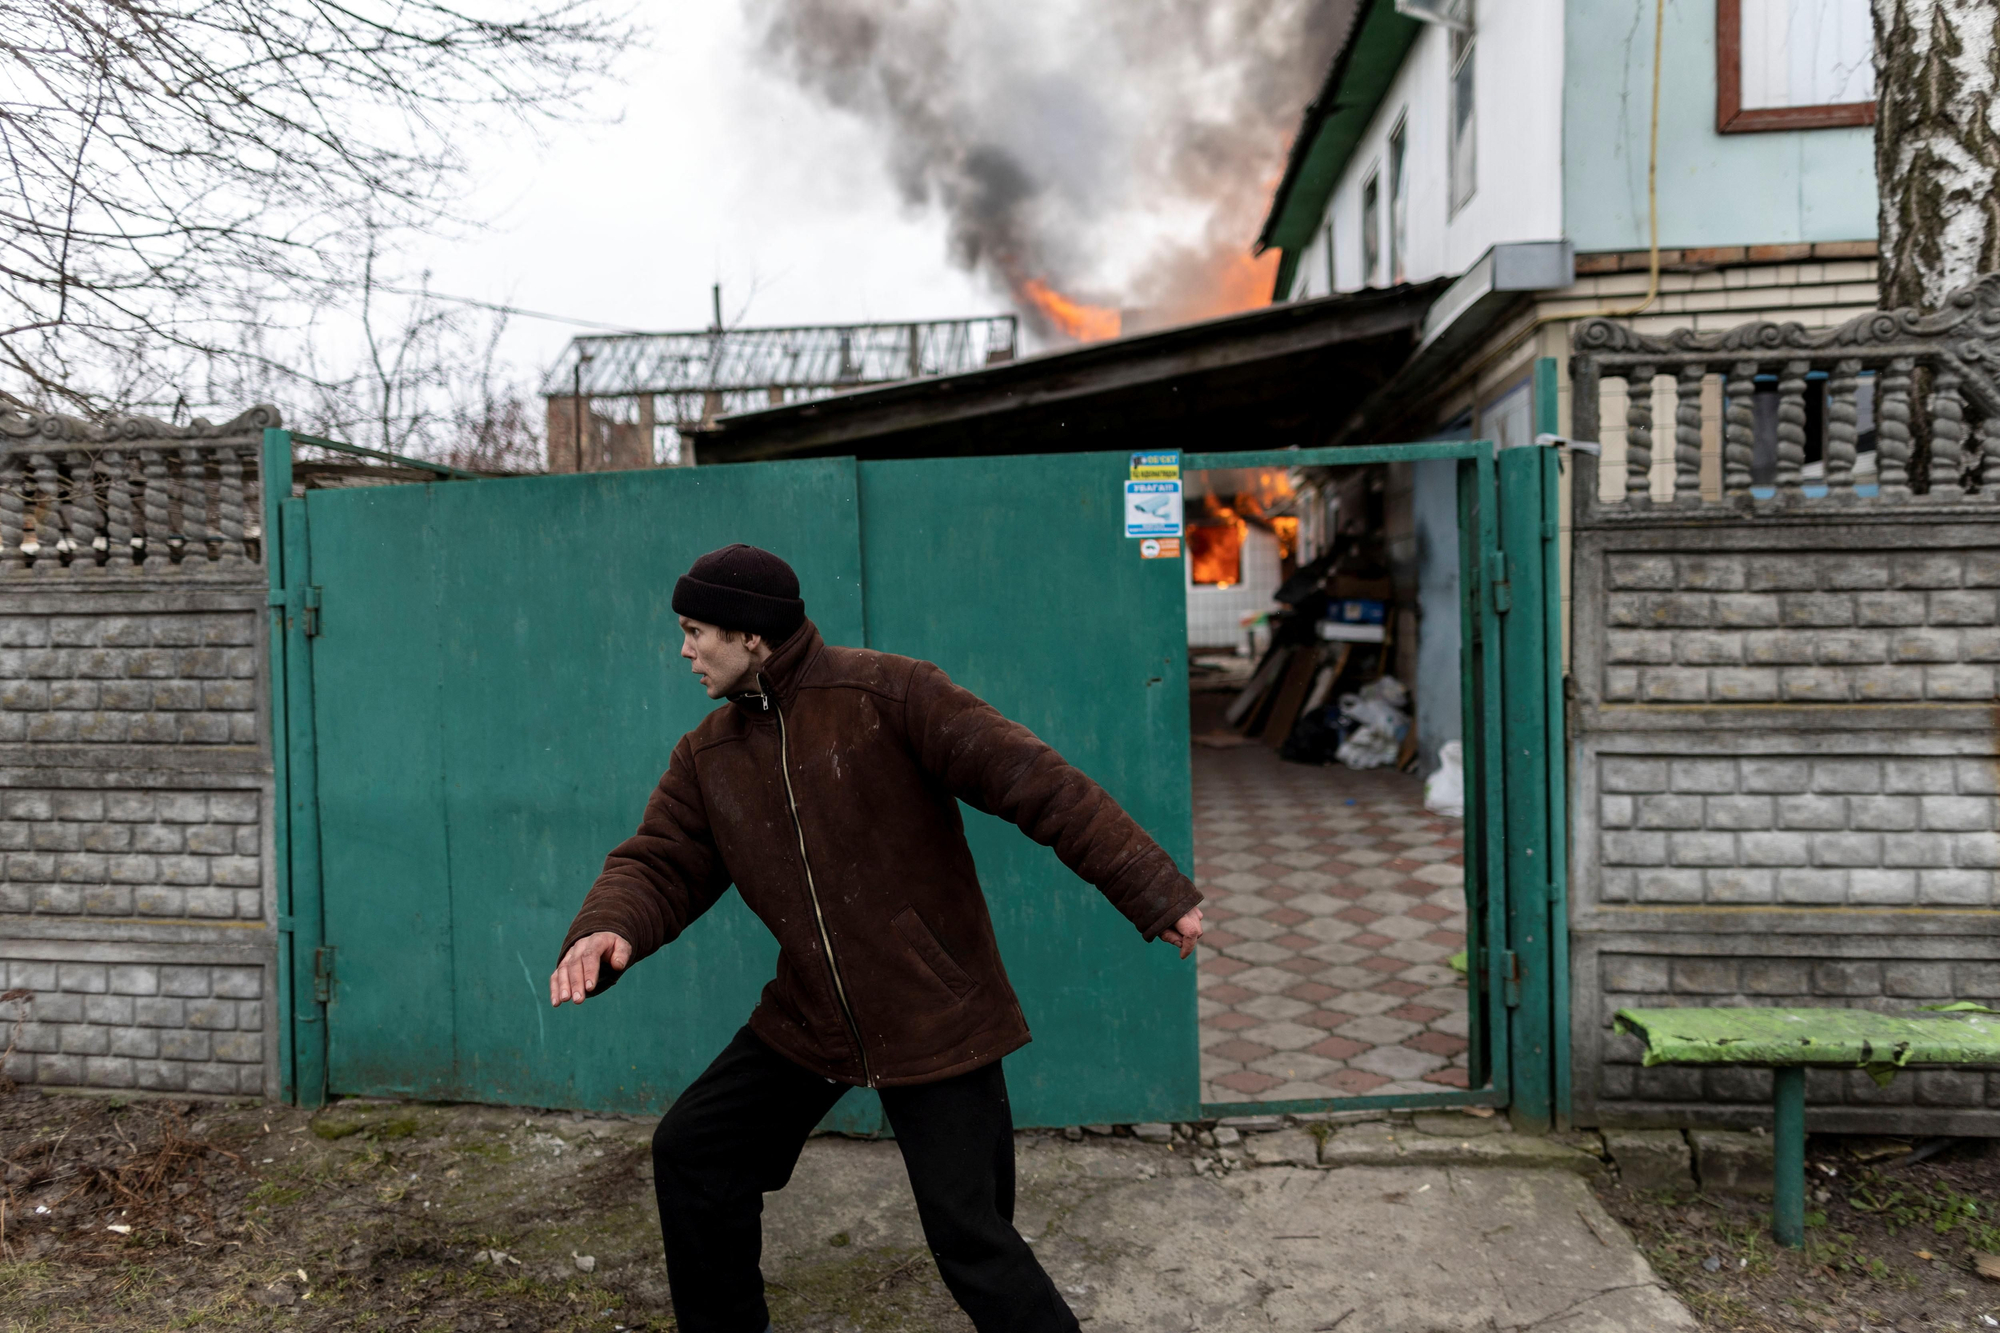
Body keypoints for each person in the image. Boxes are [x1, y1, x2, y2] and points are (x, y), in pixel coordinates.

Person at [549, 543, 1204, 1333]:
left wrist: (1151, 886)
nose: (684, 650)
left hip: (934, 1010)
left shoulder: (890, 694)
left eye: (696, 630)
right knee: (695, 1151)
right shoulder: (709, 755)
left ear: (751, 633)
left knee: (972, 1237)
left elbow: (1039, 784)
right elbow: (660, 860)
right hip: (810, 1013)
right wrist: (608, 925)